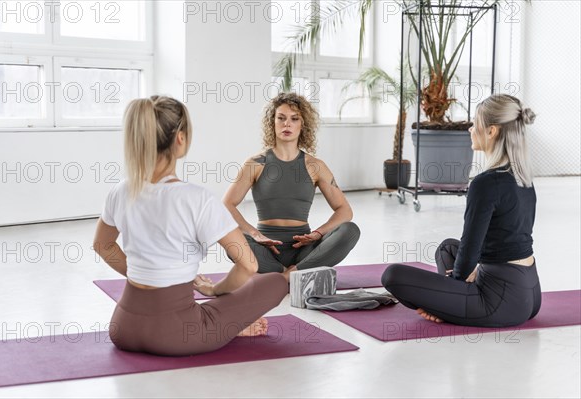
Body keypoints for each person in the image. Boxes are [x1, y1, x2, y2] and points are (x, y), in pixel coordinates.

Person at [93, 95, 288, 356]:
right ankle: (231, 326)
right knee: (276, 281)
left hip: (123, 328)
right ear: (180, 139)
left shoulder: (121, 190)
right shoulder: (198, 198)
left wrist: (150, 273)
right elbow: (248, 265)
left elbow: (103, 245)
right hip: (178, 334)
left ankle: (226, 324)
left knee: (208, 311)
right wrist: (214, 289)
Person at [381, 94, 541, 328]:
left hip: (500, 301)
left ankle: (453, 304)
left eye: (475, 123)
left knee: (392, 275)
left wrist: (446, 299)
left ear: (492, 131)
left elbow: (471, 247)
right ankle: (455, 301)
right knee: (447, 248)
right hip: (530, 293)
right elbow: (502, 241)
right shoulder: (523, 177)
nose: (470, 129)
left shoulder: (485, 183)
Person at [222, 92, 360, 274]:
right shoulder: (255, 163)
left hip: (303, 251)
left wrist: (318, 233)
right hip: (265, 250)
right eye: (281, 118)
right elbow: (226, 205)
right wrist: (254, 234)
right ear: (273, 122)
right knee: (228, 238)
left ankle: (288, 275)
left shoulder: (315, 166)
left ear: (303, 125)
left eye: (294, 119)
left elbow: (345, 210)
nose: (287, 124)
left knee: (350, 230)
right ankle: (292, 274)